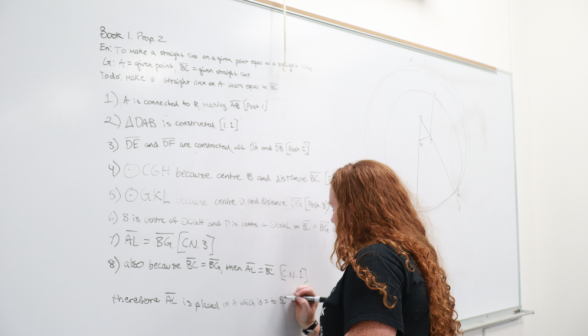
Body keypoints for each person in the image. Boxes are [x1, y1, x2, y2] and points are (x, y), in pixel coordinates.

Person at [293, 160, 461, 336]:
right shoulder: (397, 256)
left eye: (335, 209)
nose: (333, 219)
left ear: (351, 211)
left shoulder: (375, 262)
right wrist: (310, 325)